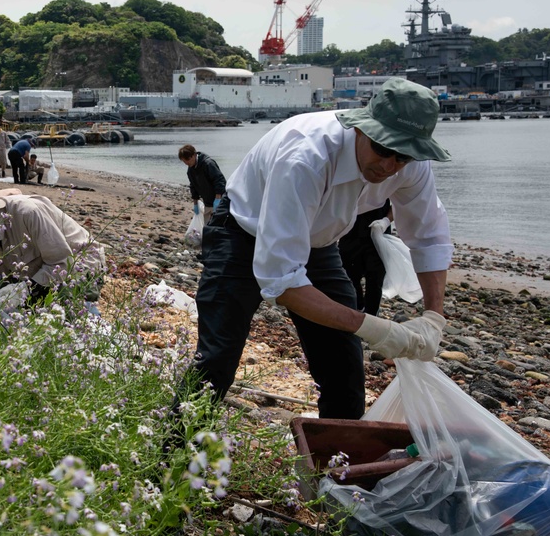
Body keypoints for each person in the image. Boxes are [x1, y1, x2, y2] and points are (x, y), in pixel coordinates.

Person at [175, 78, 452, 422]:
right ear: (361, 129)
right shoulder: (306, 155)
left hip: (318, 244)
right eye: (383, 149)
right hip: (241, 233)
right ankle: (168, 464)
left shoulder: (411, 164)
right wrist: (374, 327)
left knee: (345, 374)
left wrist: (434, 317)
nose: (390, 165)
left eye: (404, 156)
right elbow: (282, 281)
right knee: (217, 361)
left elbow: (429, 236)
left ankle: (334, 471)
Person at [0, 184, 106, 304]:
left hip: (79, 262)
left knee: (67, 305)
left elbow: (61, 262)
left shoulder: (27, 213)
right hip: (35, 270)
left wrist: (23, 291)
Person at [339, 200, 393, 316]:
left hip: (378, 234)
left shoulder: (386, 181)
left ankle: (371, 317)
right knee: (349, 276)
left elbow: (402, 202)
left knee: (375, 280)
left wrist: (386, 221)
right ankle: (356, 310)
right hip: (350, 234)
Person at [179, 144, 227, 224]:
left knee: (219, 226)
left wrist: (218, 199)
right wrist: (195, 203)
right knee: (208, 227)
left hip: (219, 202)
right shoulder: (191, 170)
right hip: (207, 202)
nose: (186, 163)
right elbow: (193, 186)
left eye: (187, 160)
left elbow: (219, 180)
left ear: (194, 155)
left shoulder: (208, 164)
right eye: (184, 161)